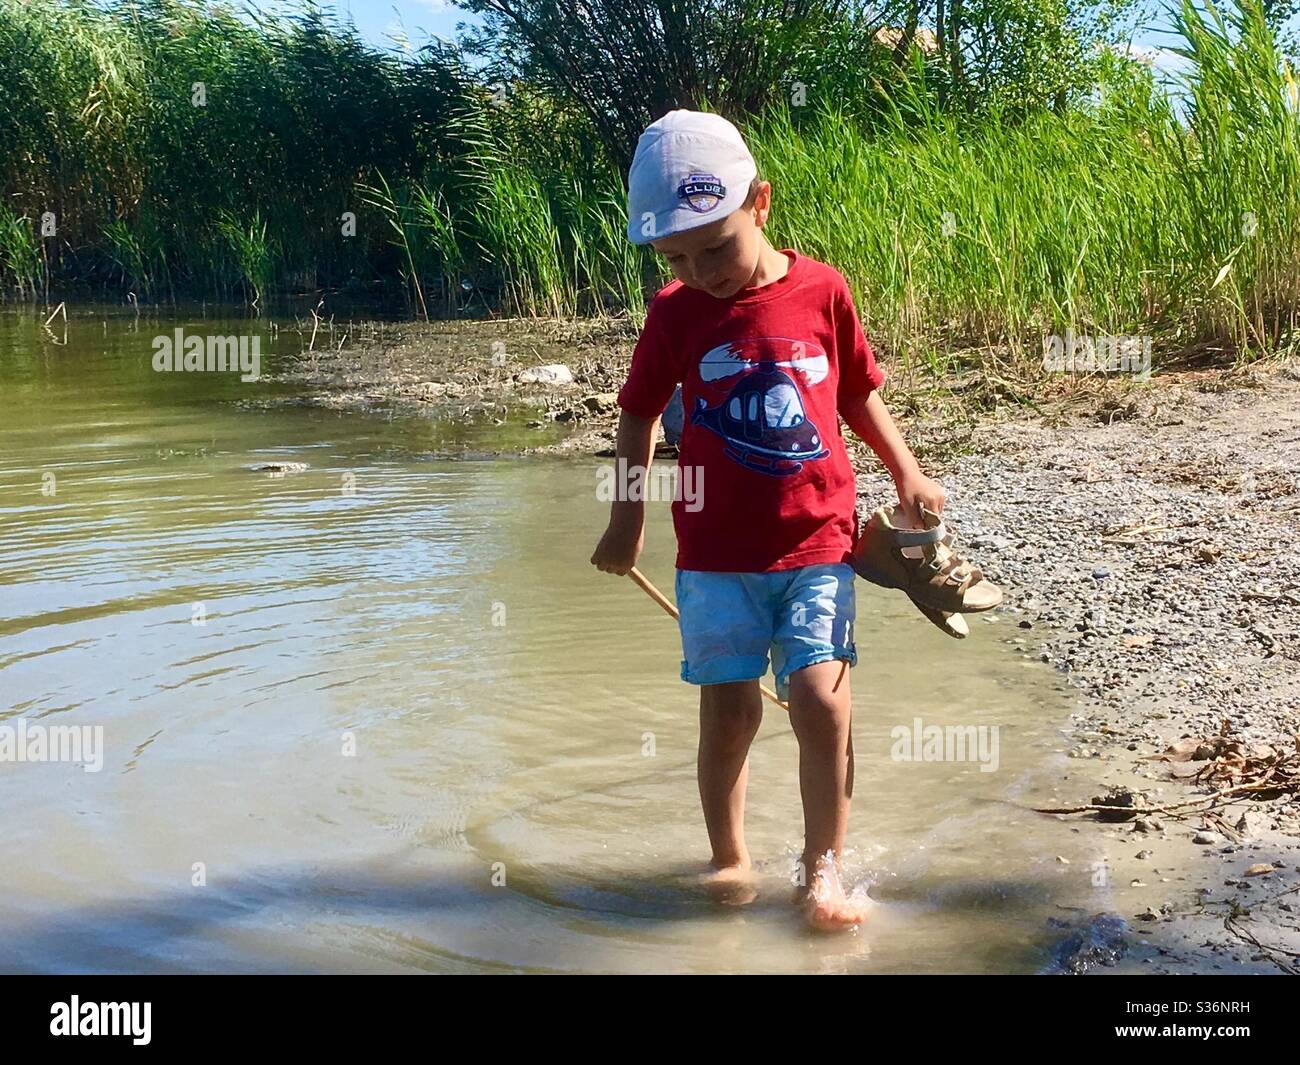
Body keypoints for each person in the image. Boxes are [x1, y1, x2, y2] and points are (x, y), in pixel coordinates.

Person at [590, 110, 947, 930]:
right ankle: (729, 855)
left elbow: (855, 391)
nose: (699, 270)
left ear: (761, 203)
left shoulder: (823, 290)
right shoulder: (675, 313)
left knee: (821, 700)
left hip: (818, 539)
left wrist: (907, 470)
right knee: (730, 708)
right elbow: (639, 416)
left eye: (714, 246)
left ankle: (824, 870)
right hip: (712, 554)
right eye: (675, 256)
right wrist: (626, 519)